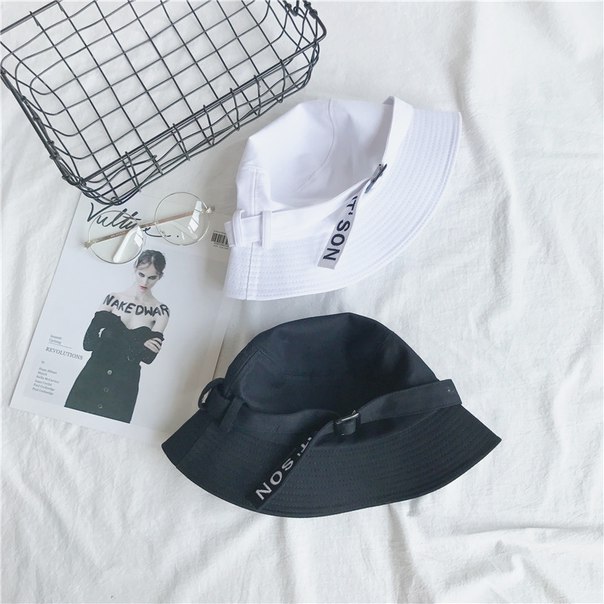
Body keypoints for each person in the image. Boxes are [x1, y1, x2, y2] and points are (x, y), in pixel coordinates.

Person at [65, 250, 169, 423]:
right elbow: (88, 343)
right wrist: (138, 342)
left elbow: (148, 357)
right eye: (141, 274)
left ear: (160, 276)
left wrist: (112, 332)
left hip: (124, 385)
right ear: (135, 268)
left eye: (152, 277)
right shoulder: (113, 298)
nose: (145, 282)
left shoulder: (161, 311)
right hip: (93, 376)